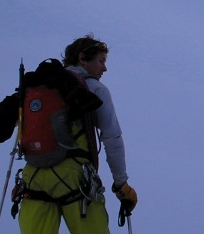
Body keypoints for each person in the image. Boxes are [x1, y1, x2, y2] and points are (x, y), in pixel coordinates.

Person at [17, 34, 138, 234]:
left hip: (34, 178)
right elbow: (112, 138)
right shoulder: (94, 89)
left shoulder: (38, 87)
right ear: (82, 58)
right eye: (101, 61)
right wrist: (121, 184)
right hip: (76, 179)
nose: (104, 68)